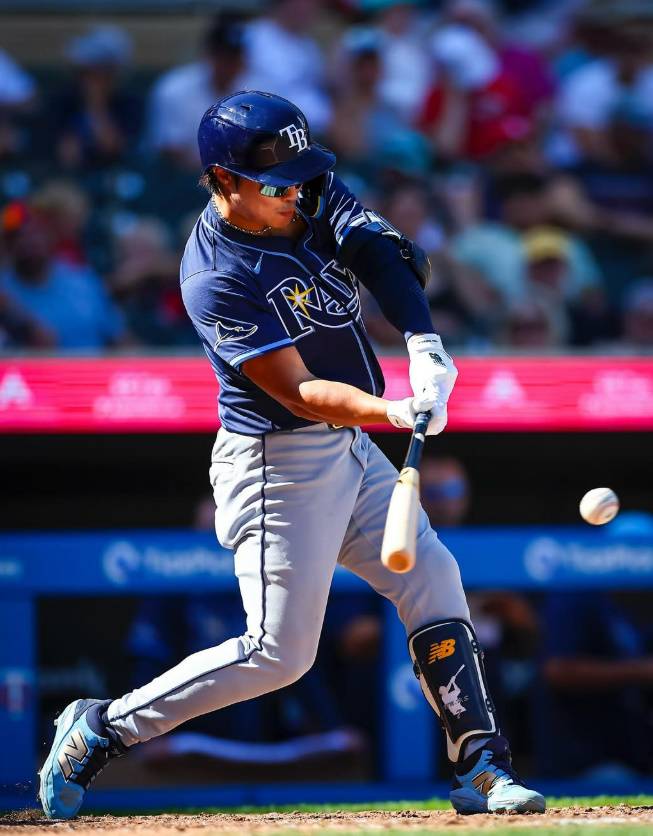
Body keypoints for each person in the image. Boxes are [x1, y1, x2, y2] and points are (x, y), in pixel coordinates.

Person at [39, 91, 545, 819]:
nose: (295, 194)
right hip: (276, 464)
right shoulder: (213, 275)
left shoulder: (303, 188)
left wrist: (423, 342)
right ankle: (104, 727)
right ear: (223, 180)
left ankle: (482, 767)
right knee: (278, 655)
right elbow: (300, 392)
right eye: (274, 184)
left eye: (301, 178)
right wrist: (394, 409)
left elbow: (381, 252)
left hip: (346, 446)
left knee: (434, 576)